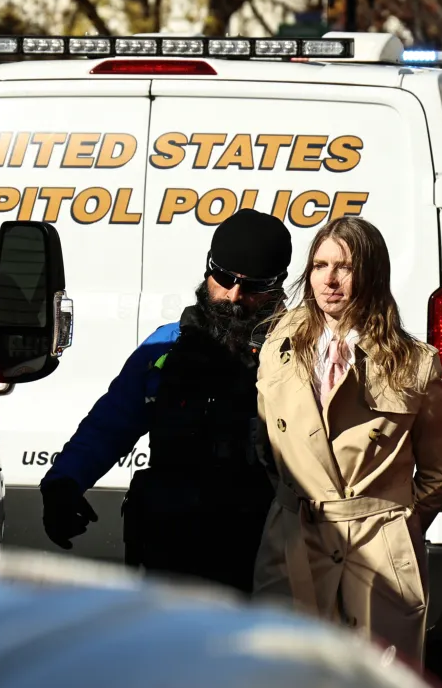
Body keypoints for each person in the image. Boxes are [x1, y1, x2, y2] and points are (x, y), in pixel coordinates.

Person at [39, 210, 293, 591]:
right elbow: (110, 423)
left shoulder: (293, 354)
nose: (234, 296)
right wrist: (63, 483)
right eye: (224, 279)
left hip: (258, 553)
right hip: (170, 549)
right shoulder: (167, 345)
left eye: (253, 287)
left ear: (277, 287)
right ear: (208, 270)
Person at [252, 216, 442, 665]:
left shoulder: (416, 363)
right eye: (320, 265)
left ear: (370, 274)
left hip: (377, 551)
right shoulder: (278, 345)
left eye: (343, 267)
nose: (329, 279)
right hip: (295, 540)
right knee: (281, 685)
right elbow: (269, 445)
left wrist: (392, 526)